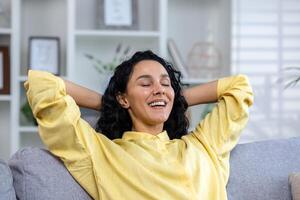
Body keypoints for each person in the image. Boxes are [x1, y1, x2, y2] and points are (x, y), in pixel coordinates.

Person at [24, 50, 253, 200]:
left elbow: (239, 87)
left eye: (165, 83)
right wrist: (109, 104)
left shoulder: (204, 145)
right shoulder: (101, 154)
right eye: (145, 84)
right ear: (124, 98)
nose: (159, 88)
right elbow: (42, 84)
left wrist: (173, 100)